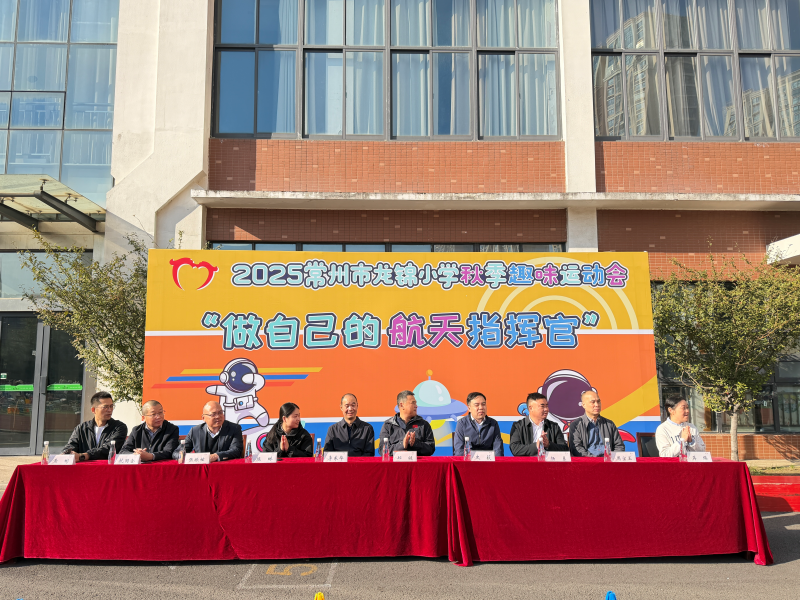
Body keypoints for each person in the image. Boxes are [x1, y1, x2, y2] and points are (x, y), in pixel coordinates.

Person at [62, 391, 128, 461]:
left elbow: (108, 449)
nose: (110, 410)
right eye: (105, 407)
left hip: (107, 467)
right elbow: (71, 446)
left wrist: (83, 456)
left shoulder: (119, 427)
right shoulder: (81, 428)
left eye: (111, 406)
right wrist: (66, 453)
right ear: (93, 410)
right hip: (83, 467)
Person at [174, 400, 243, 462]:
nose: (218, 416)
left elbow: (236, 451)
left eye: (220, 413)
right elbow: (177, 452)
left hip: (224, 469)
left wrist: (216, 456)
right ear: (203, 418)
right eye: (213, 414)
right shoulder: (195, 431)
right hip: (201, 469)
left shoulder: (234, 428)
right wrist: (181, 456)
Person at [378, 391, 435, 456]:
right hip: (396, 463)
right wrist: (402, 445)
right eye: (413, 403)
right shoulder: (388, 425)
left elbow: (431, 449)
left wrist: (415, 443)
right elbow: (382, 451)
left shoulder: (424, 425)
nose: (416, 406)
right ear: (401, 405)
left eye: (416, 403)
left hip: (417, 463)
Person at [569, 390, 624, 457]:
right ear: (583, 405)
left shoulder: (609, 424)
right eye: (593, 402)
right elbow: (577, 449)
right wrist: (594, 460)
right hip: (587, 462)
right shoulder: (576, 425)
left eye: (598, 401)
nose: (597, 405)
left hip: (608, 461)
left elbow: (619, 446)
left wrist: (611, 458)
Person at [453, 392, 504, 457]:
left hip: (488, 461)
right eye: (477, 405)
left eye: (483, 404)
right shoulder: (462, 423)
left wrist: (497, 462)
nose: (481, 407)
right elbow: (459, 450)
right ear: (469, 408)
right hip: (469, 460)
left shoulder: (493, 423)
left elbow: (498, 449)